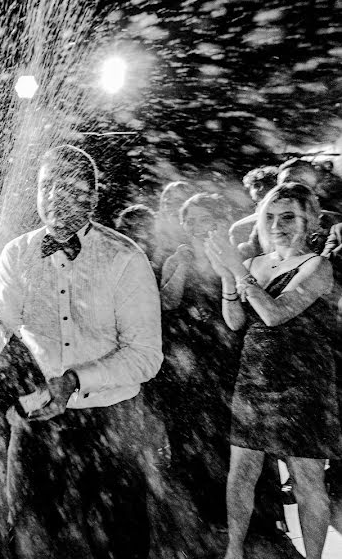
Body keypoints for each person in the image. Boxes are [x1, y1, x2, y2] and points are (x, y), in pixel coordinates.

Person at [0, 144, 162, 558]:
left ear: (92, 196)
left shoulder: (125, 258)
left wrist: (74, 382)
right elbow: (4, 342)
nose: (54, 195)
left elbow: (146, 355)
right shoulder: (16, 254)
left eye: (68, 186)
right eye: (46, 185)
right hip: (37, 423)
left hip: (111, 427)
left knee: (119, 543)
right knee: (30, 539)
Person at [204, 182, 340, 559]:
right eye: (270, 217)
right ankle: (234, 551)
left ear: (309, 222)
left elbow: (275, 313)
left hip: (303, 379)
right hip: (255, 376)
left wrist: (236, 270)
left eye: (289, 217)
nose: (277, 225)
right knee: (241, 472)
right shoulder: (253, 263)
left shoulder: (318, 265)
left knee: (306, 478)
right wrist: (227, 277)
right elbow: (234, 321)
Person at [156, 193, 241, 531]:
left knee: (226, 432)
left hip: (222, 356)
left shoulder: (234, 255)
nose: (192, 226)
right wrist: (184, 264)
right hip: (185, 359)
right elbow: (167, 302)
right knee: (188, 432)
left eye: (201, 219)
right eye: (188, 220)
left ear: (218, 222)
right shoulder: (174, 258)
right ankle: (201, 510)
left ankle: (238, 511)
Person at [231, 165, 279, 259]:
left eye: (267, 184)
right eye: (256, 186)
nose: (261, 189)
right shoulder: (260, 205)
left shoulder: (277, 201)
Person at [154, 180, 197, 269]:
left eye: (177, 200)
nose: (168, 201)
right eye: (167, 197)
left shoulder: (196, 235)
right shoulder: (157, 232)